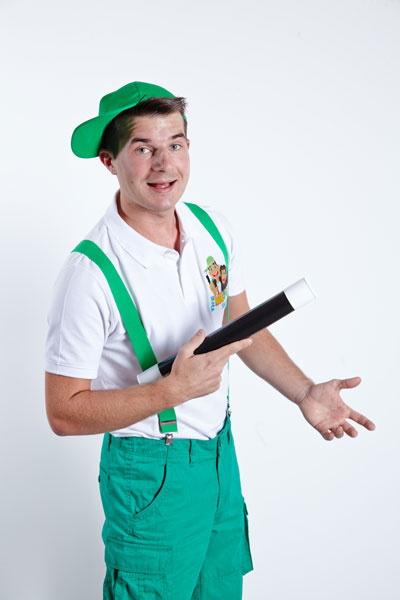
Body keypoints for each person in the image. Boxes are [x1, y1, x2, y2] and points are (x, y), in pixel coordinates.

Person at [45, 81, 375, 600]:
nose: (164, 164)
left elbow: (240, 324)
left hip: (220, 457)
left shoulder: (211, 230)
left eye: (175, 144)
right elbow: (63, 412)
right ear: (109, 161)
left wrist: (304, 392)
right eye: (143, 149)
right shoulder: (89, 273)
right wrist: (171, 392)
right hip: (149, 471)